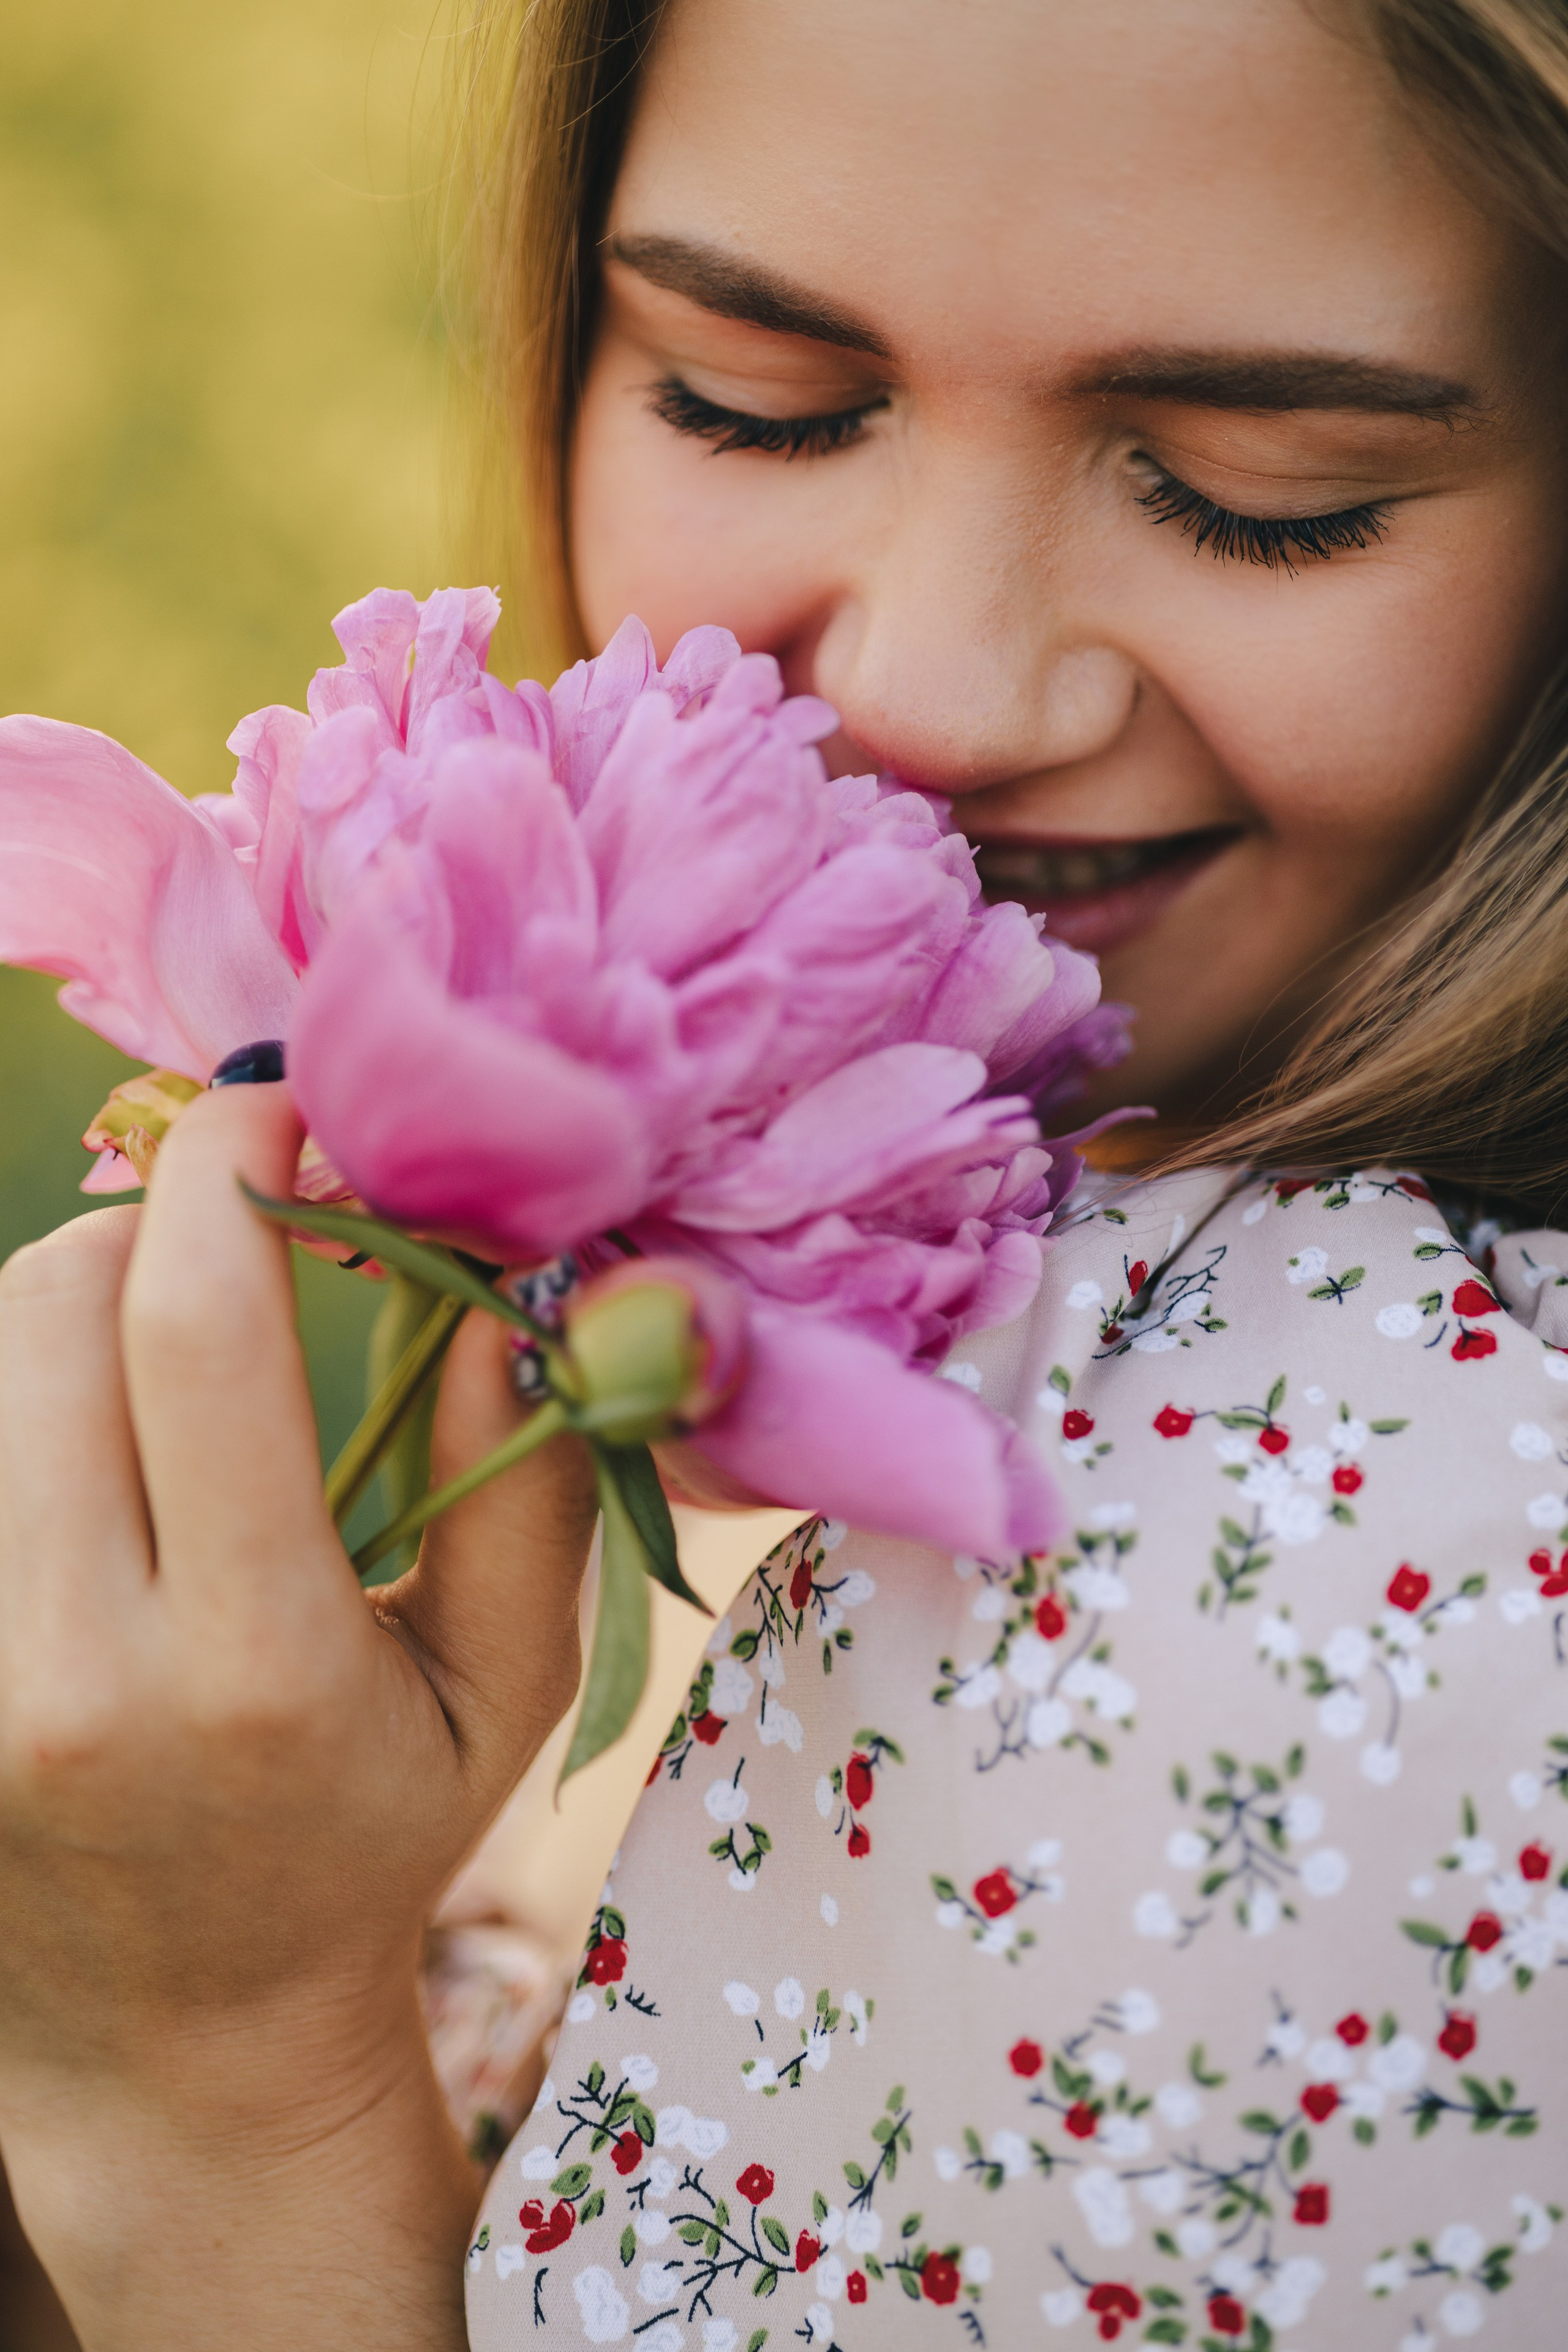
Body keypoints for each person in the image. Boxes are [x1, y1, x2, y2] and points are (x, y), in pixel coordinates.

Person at [4, 0, 1568, 2342]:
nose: (937, 692)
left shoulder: (1338, 1523)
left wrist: (226, 2106)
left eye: (1271, 482)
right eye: (752, 399)